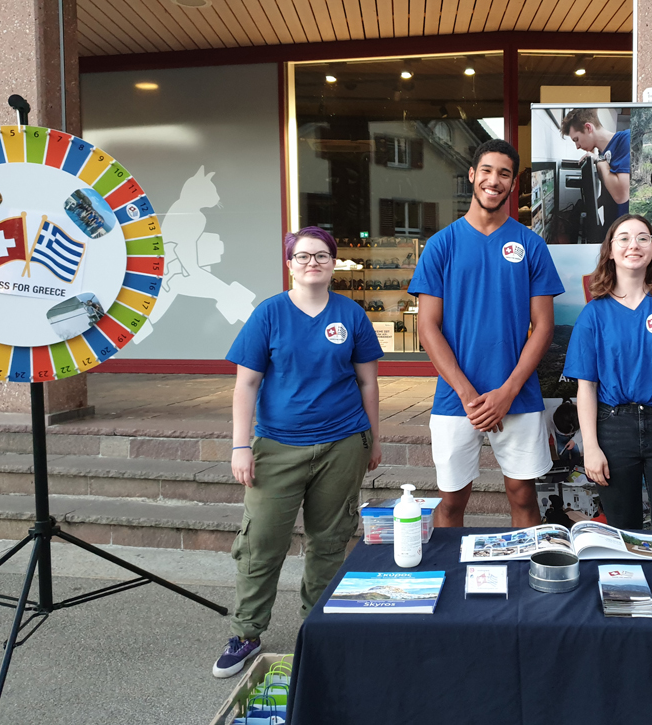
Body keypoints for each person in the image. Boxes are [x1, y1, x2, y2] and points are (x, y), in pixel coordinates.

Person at [213, 226, 383, 678]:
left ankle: (318, 628)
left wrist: (373, 438)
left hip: (343, 442)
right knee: (260, 542)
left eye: (323, 255)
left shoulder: (352, 315)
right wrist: (240, 446)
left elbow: (368, 381)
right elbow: (246, 384)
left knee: (329, 542)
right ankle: (247, 632)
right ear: (289, 263)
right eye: (304, 256)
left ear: (333, 264)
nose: (313, 263)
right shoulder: (268, 315)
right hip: (278, 446)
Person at [410, 139, 565, 528]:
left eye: (505, 174)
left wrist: (507, 392)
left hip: (518, 393)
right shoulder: (441, 245)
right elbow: (426, 327)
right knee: (451, 501)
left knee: (524, 496)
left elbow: (543, 327)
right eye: (487, 171)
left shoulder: (531, 245)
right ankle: (455, 579)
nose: (494, 181)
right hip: (456, 396)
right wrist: (468, 394)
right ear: (472, 175)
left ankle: (525, 582)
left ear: (513, 184)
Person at [564, 214, 652, 531]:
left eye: (643, 238)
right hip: (614, 428)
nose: (634, 245)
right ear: (610, 251)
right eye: (624, 238)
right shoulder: (594, 313)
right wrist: (591, 447)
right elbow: (586, 388)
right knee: (621, 532)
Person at [560, 108, 631, 219]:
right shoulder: (603, 153)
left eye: (576, 139)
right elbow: (607, 196)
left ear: (589, 128)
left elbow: (621, 196)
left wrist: (599, 160)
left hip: (625, 227)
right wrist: (585, 209)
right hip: (612, 226)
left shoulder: (626, 139)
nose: (577, 146)